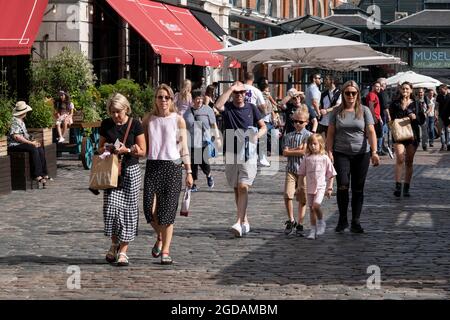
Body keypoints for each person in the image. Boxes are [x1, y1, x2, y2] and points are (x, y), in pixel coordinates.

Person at [142, 84, 193, 265]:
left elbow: (183, 147)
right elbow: (144, 145)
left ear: (172, 100)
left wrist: (189, 171)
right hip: (153, 165)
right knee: (149, 208)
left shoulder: (178, 120)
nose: (163, 100)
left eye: (167, 97)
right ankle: (160, 236)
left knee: (168, 212)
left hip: (172, 167)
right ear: (155, 99)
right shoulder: (148, 119)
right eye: (160, 97)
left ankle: (165, 250)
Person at [98, 93, 146, 266]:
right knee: (111, 209)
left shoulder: (135, 124)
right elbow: (99, 148)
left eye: (118, 111)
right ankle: (114, 243)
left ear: (126, 109)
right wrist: (108, 148)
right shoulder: (106, 124)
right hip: (112, 171)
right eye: (112, 112)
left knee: (128, 211)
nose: (115, 115)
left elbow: (143, 151)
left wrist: (129, 150)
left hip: (130, 171)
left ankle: (123, 250)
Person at [215, 81, 267, 238]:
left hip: (247, 151)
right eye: (236, 93)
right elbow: (217, 106)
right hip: (231, 149)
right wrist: (231, 88)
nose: (239, 95)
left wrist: (256, 136)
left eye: (242, 92)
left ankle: (239, 221)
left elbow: (263, 126)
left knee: (244, 186)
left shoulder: (251, 108)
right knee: (237, 188)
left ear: (246, 94)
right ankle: (244, 221)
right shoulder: (229, 108)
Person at [327, 80, 380, 234]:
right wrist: (328, 151)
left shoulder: (364, 111)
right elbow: (330, 134)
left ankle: (355, 221)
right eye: (347, 93)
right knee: (343, 184)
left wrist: (374, 152)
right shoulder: (336, 111)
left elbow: (371, 132)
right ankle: (342, 219)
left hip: (361, 154)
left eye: (353, 93)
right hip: (341, 152)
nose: (350, 96)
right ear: (343, 94)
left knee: (358, 188)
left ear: (358, 94)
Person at [388, 82, 426, 197]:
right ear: (400, 90)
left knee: (409, 161)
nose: (404, 90)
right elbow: (391, 117)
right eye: (403, 88)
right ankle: (398, 186)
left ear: (411, 91)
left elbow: (422, 121)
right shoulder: (395, 103)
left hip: (412, 135)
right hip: (399, 135)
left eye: (407, 89)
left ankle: (406, 187)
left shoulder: (417, 104)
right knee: (400, 158)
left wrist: (415, 117)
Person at [298, 134, 336, 240]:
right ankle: (313, 230)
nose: (313, 146)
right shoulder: (306, 158)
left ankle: (321, 221)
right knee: (311, 209)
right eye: (310, 144)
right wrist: (300, 185)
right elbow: (301, 173)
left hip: (320, 187)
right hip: (310, 187)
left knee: (316, 206)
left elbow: (331, 174)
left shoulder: (324, 158)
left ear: (320, 144)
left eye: (315, 144)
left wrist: (329, 188)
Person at [183, 89, 221, 191]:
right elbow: (184, 128)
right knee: (193, 162)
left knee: (202, 161)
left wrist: (217, 138)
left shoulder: (208, 110)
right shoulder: (187, 113)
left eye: (201, 98)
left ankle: (208, 175)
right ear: (193, 100)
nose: (199, 100)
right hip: (191, 141)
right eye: (197, 99)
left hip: (204, 140)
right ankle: (194, 184)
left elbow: (213, 124)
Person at [282, 109, 311, 236]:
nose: (297, 124)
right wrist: (297, 149)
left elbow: (303, 152)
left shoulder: (309, 136)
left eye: (300, 122)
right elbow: (284, 152)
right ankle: (291, 219)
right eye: (295, 121)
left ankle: (300, 222)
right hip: (291, 170)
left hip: (304, 172)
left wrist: (292, 151)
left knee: (302, 198)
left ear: (306, 122)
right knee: (288, 195)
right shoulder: (289, 135)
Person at [7, 101, 50, 188]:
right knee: (33, 148)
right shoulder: (14, 121)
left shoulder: (21, 121)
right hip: (14, 145)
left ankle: (43, 173)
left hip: (21, 143)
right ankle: (37, 175)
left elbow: (25, 135)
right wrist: (31, 143)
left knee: (39, 147)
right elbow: (16, 137)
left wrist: (33, 141)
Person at [243, 72, 269, 166]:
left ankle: (244, 156)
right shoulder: (256, 91)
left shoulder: (239, 88)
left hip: (239, 115)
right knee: (254, 137)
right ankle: (253, 156)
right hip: (252, 116)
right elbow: (263, 107)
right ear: (253, 80)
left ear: (244, 77)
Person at [366, 82, 384, 154]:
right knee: (374, 135)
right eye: (376, 86)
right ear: (373, 87)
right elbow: (371, 105)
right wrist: (374, 117)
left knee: (377, 135)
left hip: (376, 117)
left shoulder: (375, 95)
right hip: (373, 118)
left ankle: (373, 150)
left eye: (379, 86)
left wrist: (379, 118)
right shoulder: (372, 94)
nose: (378, 88)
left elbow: (377, 108)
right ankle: (372, 151)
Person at [436, 84, 450, 151]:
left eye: (441, 90)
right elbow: (437, 105)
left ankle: (448, 144)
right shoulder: (439, 96)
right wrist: (435, 113)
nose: (440, 91)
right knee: (441, 131)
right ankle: (443, 144)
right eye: (439, 90)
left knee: (448, 130)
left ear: (446, 89)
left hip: (448, 116)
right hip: (441, 116)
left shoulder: (449, 96)